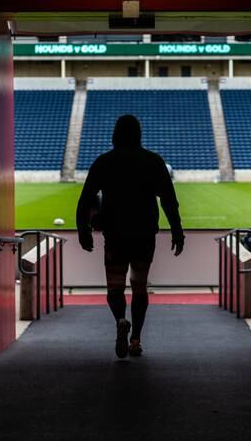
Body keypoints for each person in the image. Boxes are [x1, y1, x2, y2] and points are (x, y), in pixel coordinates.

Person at [76, 115, 184, 358]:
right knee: (139, 285)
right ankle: (136, 340)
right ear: (138, 133)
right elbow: (169, 200)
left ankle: (121, 321)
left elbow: (85, 200)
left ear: (115, 133)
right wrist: (177, 231)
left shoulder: (104, 162)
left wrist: (83, 230)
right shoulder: (153, 161)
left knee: (115, 286)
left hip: (115, 233)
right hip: (144, 233)